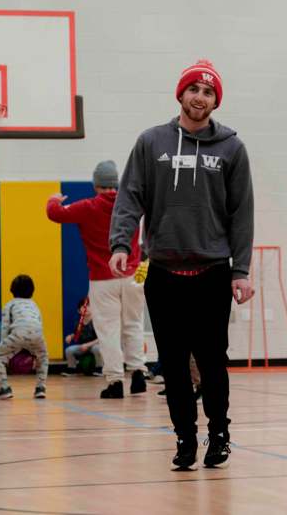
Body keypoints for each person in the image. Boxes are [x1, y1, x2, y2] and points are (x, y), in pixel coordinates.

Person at [109, 59, 254, 471]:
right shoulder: (151, 142)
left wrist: (241, 271)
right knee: (172, 363)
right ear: (181, 94)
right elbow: (130, 196)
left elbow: (242, 213)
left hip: (211, 273)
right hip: (164, 273)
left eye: (209, 92)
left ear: (215, 101)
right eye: (195, 89)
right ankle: (185, 438)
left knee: (212, 360)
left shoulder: (231, 148)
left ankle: (220, 434)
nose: (200, 98)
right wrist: (122, 243)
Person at [47, 160, 147, 399]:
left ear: (96, 184)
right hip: (133, 274)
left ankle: (115, 382)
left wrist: (53, 199)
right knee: (133, 325)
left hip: (103, 278)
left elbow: (55, 214)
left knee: (108, 331)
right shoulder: (132, 205)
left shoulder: (87, 207)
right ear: (117, 184)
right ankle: (138, 373)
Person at [0, 275, 48, 399]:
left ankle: (5, 388)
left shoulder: (9, 305)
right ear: (32, 290)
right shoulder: (35, 305)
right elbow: (39, 324)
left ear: (12, 290)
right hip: (38, 335)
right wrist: (33, 352)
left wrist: (6, 351)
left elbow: (5, 328)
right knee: (43, 358)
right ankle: (40, 388)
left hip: (18, 334)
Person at [62, 298, 103, 376]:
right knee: (69, 350)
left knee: (97, 349)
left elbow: (100, 338)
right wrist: (71, 336)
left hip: (95, 345)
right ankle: (72, 368)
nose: (86, 308)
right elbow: (77, 333)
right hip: (83, 346)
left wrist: (87, 345)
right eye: (83, 307)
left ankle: (99, 368)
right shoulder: (79, 322)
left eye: (88, 306)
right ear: (79, 311)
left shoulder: (96, 321)